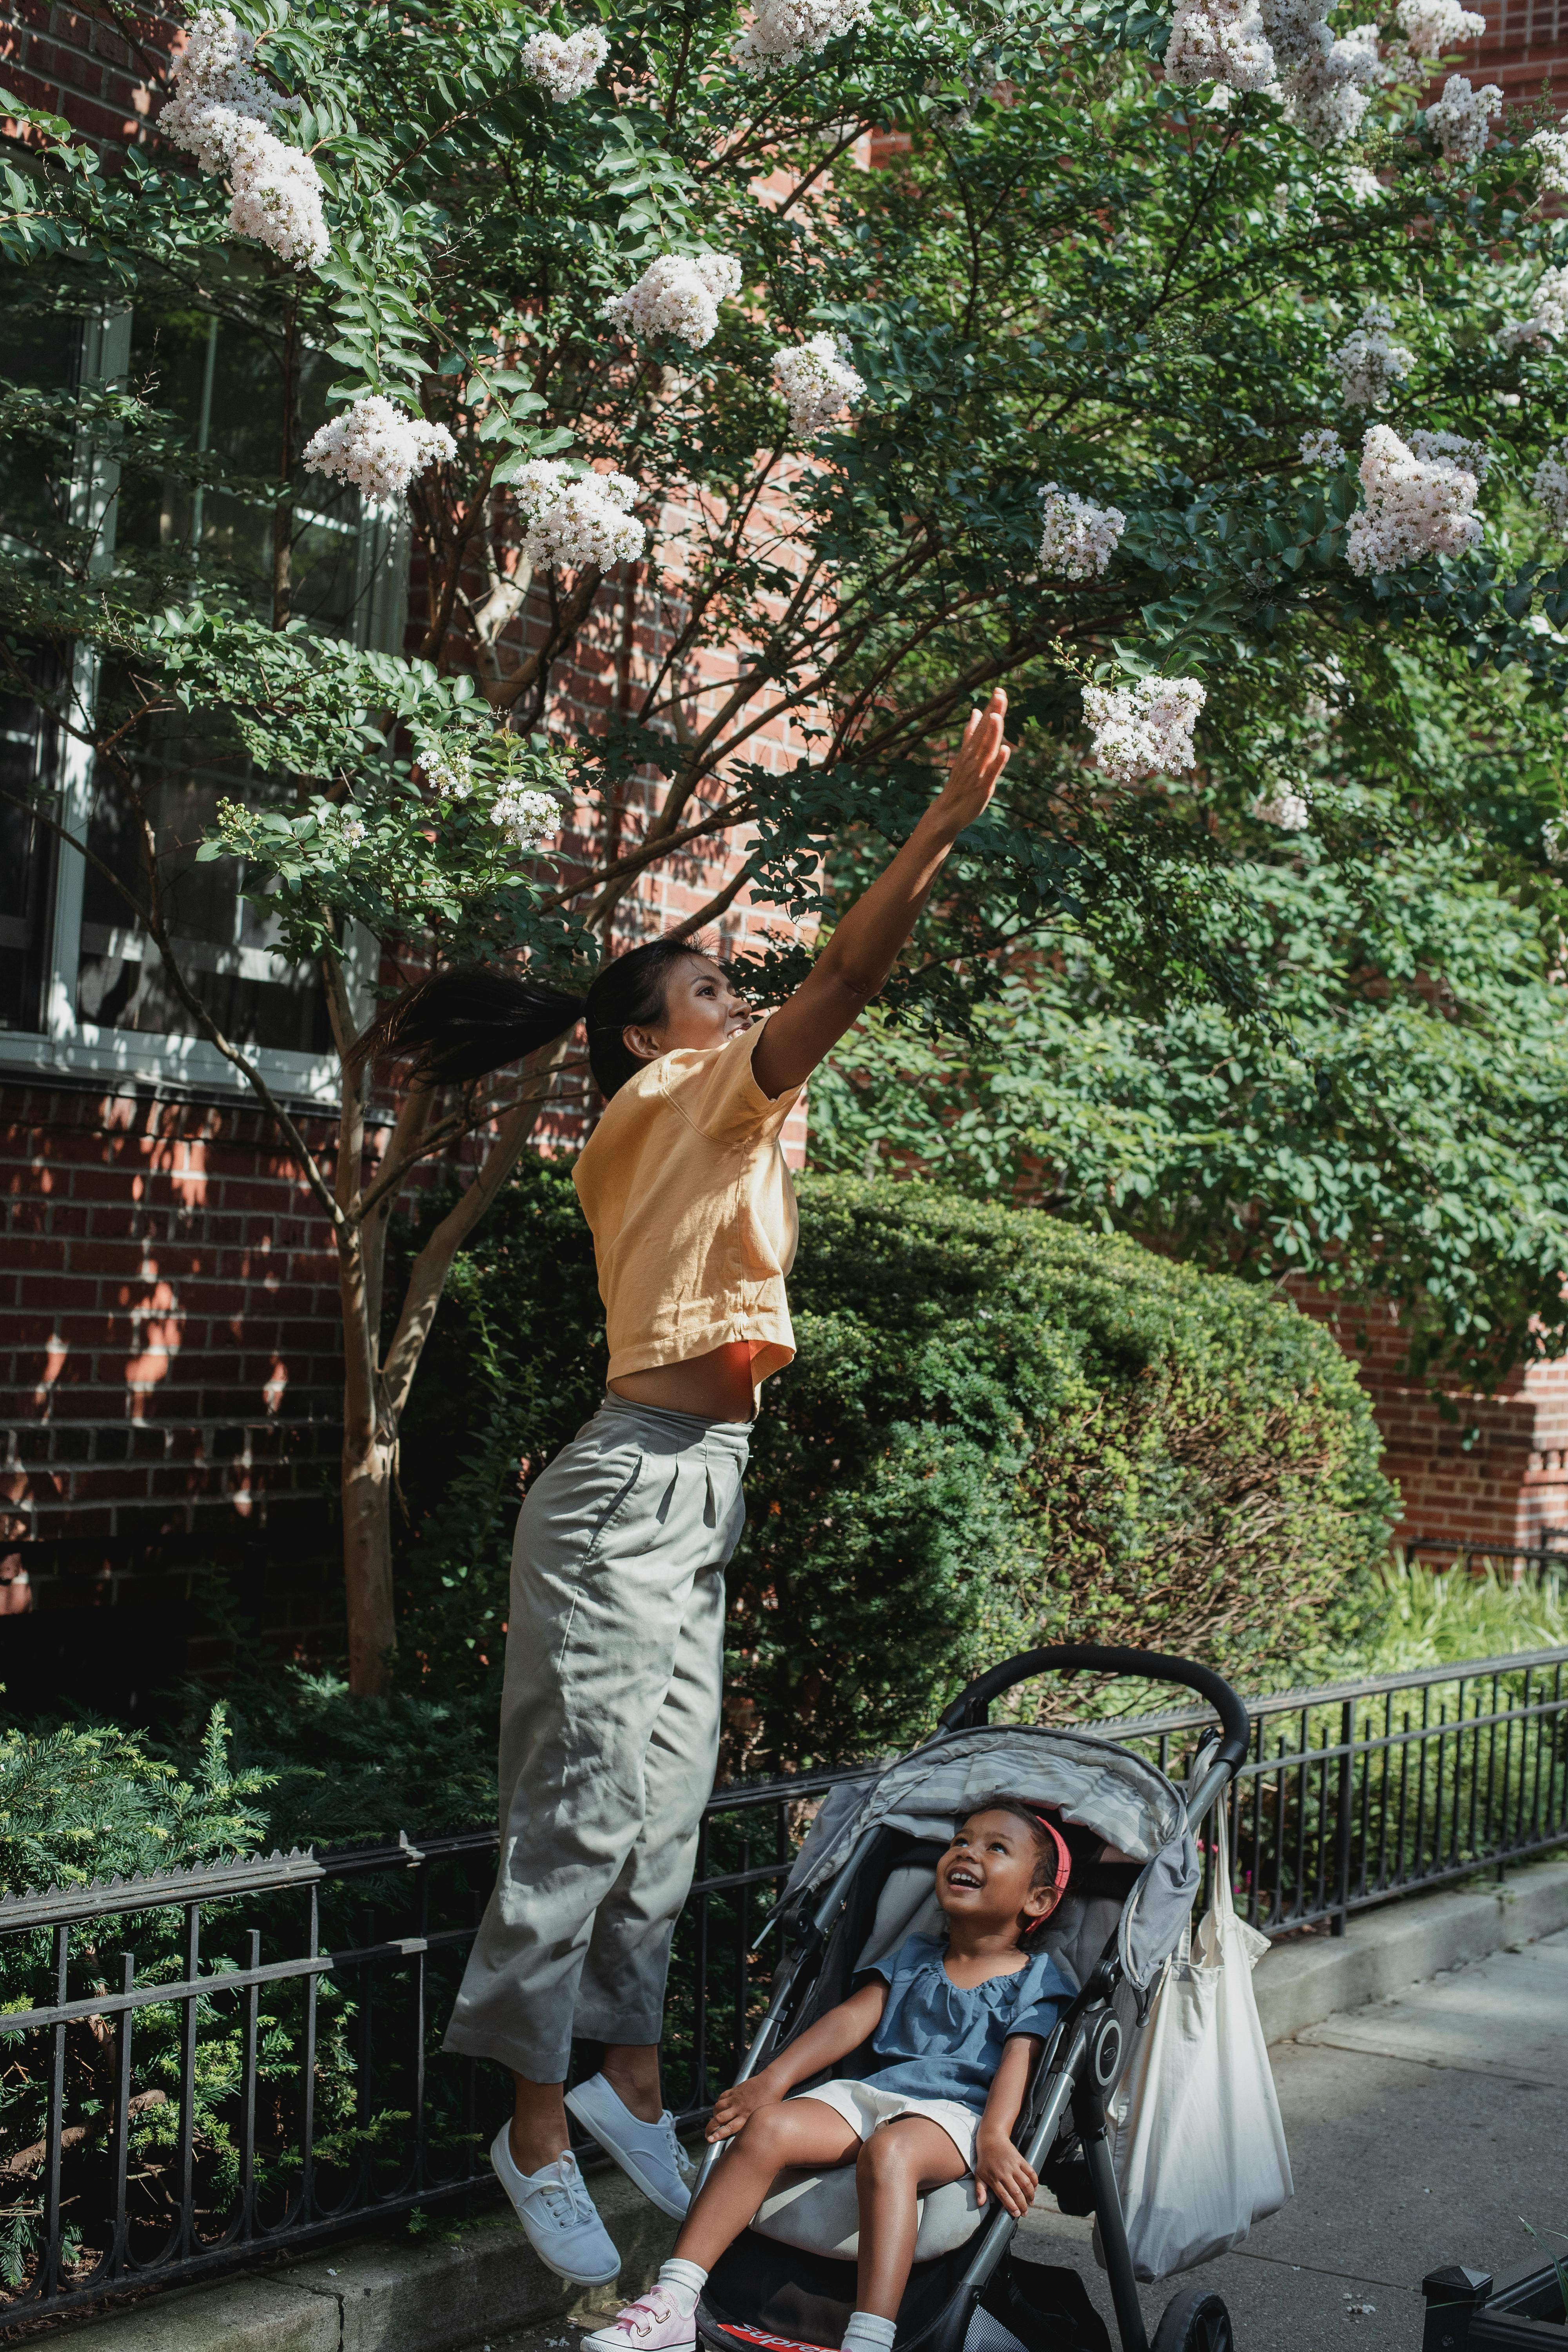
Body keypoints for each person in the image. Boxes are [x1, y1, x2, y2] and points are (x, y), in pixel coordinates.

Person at [381, 690, 1013, 2287]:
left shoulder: (704, 1123)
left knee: (658, 1830)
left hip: (698, 1489)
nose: (737, 1004)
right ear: (648, 1037)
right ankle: (530, 2124)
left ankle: (629, 2081)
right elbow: (849, 979)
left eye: (734, 987)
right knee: (577, 1818)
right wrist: (932, 830)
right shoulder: (669, 1101)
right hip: (624, 1494)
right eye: (711, 988)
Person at [582, 1798, 1075, 2352]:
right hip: (878, 2092)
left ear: (1037, 1899)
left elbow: (1020, 2059)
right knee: (767, 2128)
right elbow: (849, 2022)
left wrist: (994, 2136)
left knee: (891, 2152)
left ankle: (869, 2338)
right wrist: (770, 2080)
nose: (967, 1852)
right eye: (961, 1841)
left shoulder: (1036, 1977)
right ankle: (676, 2299)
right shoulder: (914, 1956)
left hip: (956, 2115)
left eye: (995, 1848)